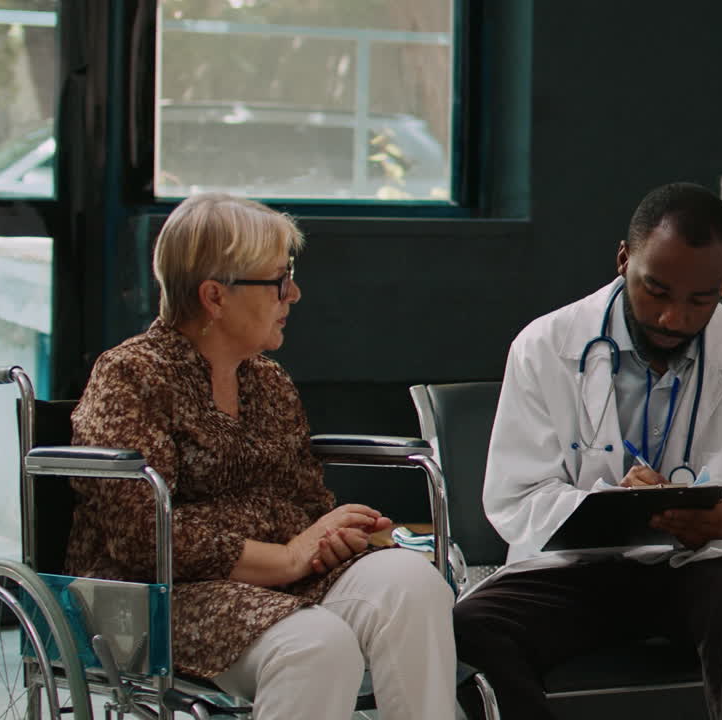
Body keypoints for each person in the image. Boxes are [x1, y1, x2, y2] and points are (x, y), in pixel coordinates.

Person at [65, 193, 456, 720]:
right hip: (163, 597)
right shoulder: (132, 376)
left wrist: (330, 537)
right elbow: (140, 536)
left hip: (280, 582)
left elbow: (305, 503)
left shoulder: (268, 381)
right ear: (214, 296)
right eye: (277, 280)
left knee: (414, 586)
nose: (293, 293)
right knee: (317, 646)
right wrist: (288, 557)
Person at [453, 182, 722, 720]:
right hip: (574, 574)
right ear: (624, 259)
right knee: (469, 630)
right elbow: (517, 495)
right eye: (657, 291)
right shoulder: (546, 346)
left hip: (697, 571)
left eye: (702, 300)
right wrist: (605, 507)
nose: (675, 318)